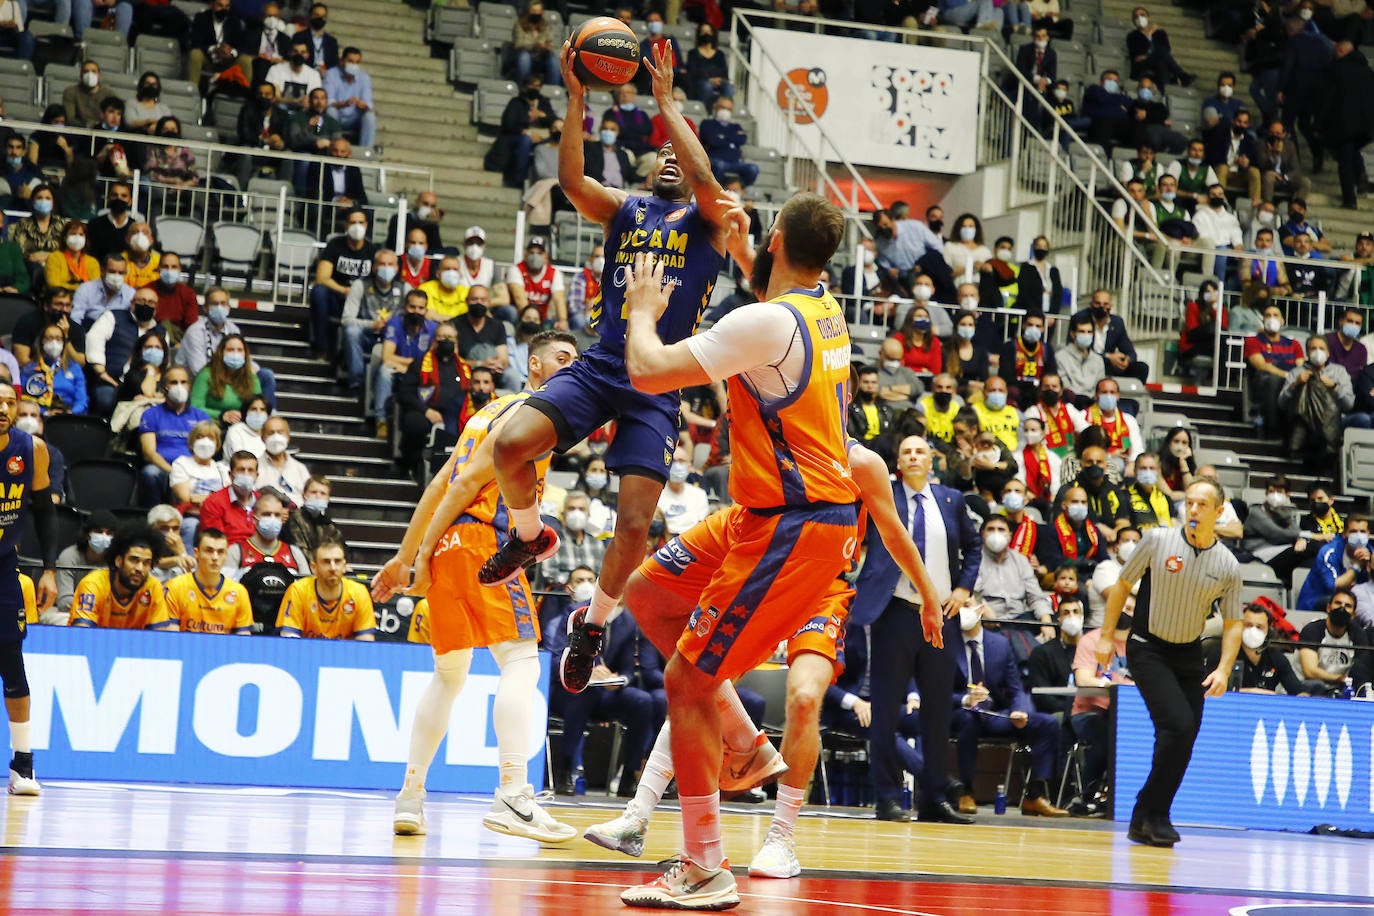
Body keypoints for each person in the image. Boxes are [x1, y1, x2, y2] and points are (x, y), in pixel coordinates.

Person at [476, 43, 735, 700]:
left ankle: (591, 628)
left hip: (659, 379)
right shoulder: (627, 208)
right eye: (663, 152)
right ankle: (529, 536)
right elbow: (571, 182)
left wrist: (667, 103)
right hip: (601, 364)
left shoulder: (712, 219)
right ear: (648, 165)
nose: (672, 157)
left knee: (634, 525)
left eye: (682, 151)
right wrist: (576, 97)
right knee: (508, 445)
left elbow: (705, 175)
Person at [371, 329, 579, 841]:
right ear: (534, 365)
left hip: (450, 545)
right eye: (562, 357)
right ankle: (513, 793)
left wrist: (405, 557)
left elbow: (438, 483)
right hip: (484, 541)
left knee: (449, 676)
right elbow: (462, 485)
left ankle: (410, 797)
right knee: (522, 661)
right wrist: (418, 556)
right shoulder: (532, 411)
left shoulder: (486, 413)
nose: (572, 366)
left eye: (576, 359)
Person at [1101, 479, 1243, 847]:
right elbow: (1121, 586)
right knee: (1177, 726)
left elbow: (1233, 623)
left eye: (1202, 504)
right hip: (1147, 648)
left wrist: (1224, 669)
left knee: (1184, 735)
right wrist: (1105, 637)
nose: (1193, 509)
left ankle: (1148, 816)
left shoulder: (1228, 565)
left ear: (1219, 511)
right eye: (1189, 502)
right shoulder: (1157, 540)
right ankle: (1152, 814)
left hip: (1189, 654)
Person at [852, 434, 979, 824]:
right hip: (895, 612)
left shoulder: (952, 500)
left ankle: (933, 799)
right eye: (905, 451)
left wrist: (963, 589)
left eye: (919, 451)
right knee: (886, 711)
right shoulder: (882, 495)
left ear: (931, 460)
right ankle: (888, 798)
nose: (912, 456)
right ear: (897, 461)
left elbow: (973, 548)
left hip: (940, 616)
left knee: (938, 713)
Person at [948, 603, 1068, 816]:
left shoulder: (1000, 644)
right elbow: (935, 690)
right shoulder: (946, 641)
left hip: (994, 713)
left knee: (1048, 723)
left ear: (981, 609)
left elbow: (1015, 687)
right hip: (960, 712)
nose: (963, 610)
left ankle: (1034, 795)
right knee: (968, 720)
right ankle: (966, 790)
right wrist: (966, 699)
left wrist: (1018, 710)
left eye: (967, 605)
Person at [69, 525, 170, 629]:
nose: (140, 568)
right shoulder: (93, 584)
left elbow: (160, 634)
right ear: (118, 561)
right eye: (133, 560)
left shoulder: (153, 587)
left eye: (146, 563)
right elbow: (82, 633)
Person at [137, 367, 211, 507]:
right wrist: (175, 472)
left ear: (190, 387)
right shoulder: (151, 414)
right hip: (164, 469)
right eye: (173, 382)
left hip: (194, 470)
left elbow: (208, 449)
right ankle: (154, 514)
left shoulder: (201, 417)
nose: (179, 386)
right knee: (150, 472)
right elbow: (149, 452)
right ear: (164, 387)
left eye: (183, 382)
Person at [308, 208, 375, 360]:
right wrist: (344, 290)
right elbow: (322, 278)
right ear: (346, 225)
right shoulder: (335, 245)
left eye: (360, 222)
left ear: (366, 225)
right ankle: (321, 348)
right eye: (353, 222)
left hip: (361, 301)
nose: (357, 226)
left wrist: (356, 293)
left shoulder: (371, 250)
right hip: (337, 297)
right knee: (319, 291)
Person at [162, 528, 253, 635]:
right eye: (209, 551)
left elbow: (243, 639)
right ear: (196, 553)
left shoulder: (239, 592)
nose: (215, 557)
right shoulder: (175, 587)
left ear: (226, 555)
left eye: (220, 552)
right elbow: (171, 637)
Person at [276, 541, 374, 639]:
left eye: (337, 561)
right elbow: (289, 640)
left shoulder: (359, 592)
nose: (333, 568)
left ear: (344, 566)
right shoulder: (297, 590)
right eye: (326, 562)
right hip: (306, 649)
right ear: (313, 567)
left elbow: (366, 641)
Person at [1278, 335, 1352, 462]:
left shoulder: (1339, 372)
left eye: (1322, 348)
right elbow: (1282, 403)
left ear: (1328, 353)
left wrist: (1334, 387)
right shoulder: (1296, 372)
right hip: (1301, 427)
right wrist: (1295, 384)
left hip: (1329, 426)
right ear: (1307, 352)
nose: (1318, 352)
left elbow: (1349, 404)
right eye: (1313, 348)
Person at [1207, 603, 1304, 694]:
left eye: (1259, 627)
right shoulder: (1221, 655)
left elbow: (1298, 691)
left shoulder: (1277, 658)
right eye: (1248, 625)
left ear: (1268, 630)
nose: (1253, 631)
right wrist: (1251, 691)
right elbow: (1208, 689)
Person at [1298, 589, 1370, 694]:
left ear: (1353, 614)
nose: (1342, 608)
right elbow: (1310, 672)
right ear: (1328, 608)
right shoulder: (1312, 630)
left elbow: (1362, 668)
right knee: (1317, 685)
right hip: (1308, 688)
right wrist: (1340, 678)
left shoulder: (1358, 634)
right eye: (1338, 603)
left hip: (1340, 689)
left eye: (1348, 606)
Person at [225, 488, 310, 576]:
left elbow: (306, 584)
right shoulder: (236, 552)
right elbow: (226, 583)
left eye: (277, 515)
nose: (272, 519)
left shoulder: (294, 553)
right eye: (266, 514)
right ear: (254, 519)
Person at [1297, 514, 1370, 610]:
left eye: (1362, 532)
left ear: (1368, 533)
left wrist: (1370, 565)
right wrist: (1357, 565)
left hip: (1351, 601)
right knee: (1345, 602)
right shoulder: (1329, 551)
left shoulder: (1369, 552)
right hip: (1316, 601)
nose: (1359, 536)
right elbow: (1334, 587)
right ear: (1344, 533)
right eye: (1353, 531)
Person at [198, 451, 259, 545]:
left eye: (250, 470)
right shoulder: (214, 502)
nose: (246, 474)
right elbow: (214, 542)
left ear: (257, 475)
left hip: (260, 552)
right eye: (241, 470)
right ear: (230, 475)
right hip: (229, 551)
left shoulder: (263, 501)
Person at [255, 416, 309, 504]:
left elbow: (309, 498)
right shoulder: (254, 467)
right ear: (262, 438)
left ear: (288, 437)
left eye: (280, 432)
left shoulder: (300, 469)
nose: (276, 437)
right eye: (270, 433)